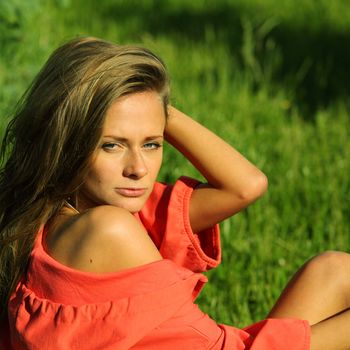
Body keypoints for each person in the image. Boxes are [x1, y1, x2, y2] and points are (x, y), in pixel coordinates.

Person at [0, 36, 350, 350]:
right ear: (68, 144)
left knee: (334, 270)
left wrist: (148, 101)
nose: (137, 168)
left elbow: (246, 186)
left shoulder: (47, 214)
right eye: (111, 146)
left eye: (152, 143)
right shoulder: (108, 228)